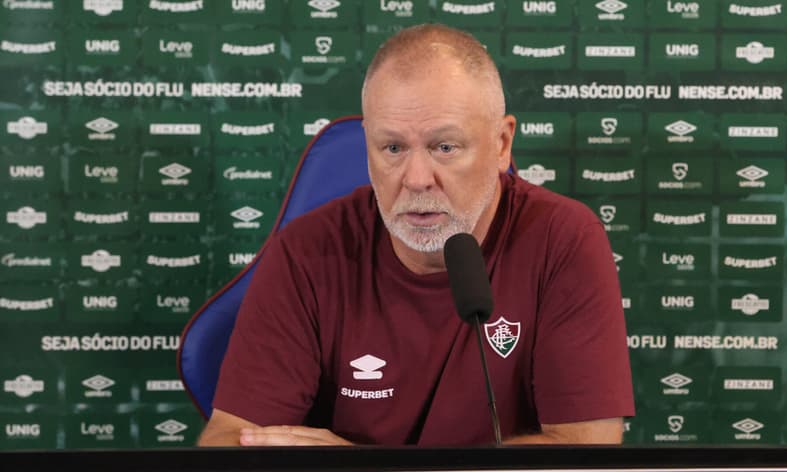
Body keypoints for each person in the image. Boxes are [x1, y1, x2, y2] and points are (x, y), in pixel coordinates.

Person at [197, 23, 634, 447]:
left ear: (502, 144)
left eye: (444, 147)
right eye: (393, 148)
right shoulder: (306, 252)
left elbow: (584, 452)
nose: (417, 178)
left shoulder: (564, 239)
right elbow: (230, 440)